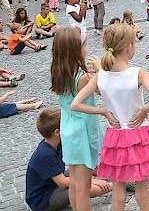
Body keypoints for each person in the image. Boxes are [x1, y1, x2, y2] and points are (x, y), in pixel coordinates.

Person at [71, 23, 149, 211]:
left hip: (116, 136)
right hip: (138, 135)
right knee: (142, 192)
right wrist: (143, 110)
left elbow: (75, 104)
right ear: (130, 47)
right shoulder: (138, 73)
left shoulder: (100, 76)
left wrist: (104, 111)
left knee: (118, 192)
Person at [49, 27, 104, 211]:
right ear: (76, 50)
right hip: (83, 133)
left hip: (68, 129)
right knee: (84, 186)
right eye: (85, 45)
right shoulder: (84, 77)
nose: (87, 48)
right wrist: (100, 71)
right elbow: (102, 90)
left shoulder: (60, 73)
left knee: (75, 182)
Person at [25, 108, 112, 211]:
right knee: (81, 188)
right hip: (43, 200)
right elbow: (62, 182)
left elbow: (79, 162)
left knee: (83, 168)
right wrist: (93, 181)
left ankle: (111, 175)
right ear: (57, 132)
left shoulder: (57, 143)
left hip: (53, 184)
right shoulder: (45, 154)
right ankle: (116, 185)